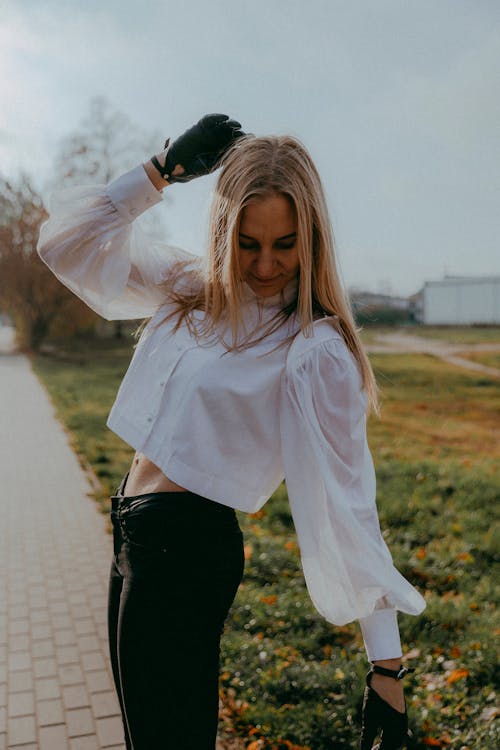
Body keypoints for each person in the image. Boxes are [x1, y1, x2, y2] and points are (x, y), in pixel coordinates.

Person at [37, 114, 427, 750]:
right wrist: (159, 172)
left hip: (187, 553)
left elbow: (349, 504)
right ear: (224, 232)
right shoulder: (192, 288)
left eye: (286, 243)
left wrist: (386, 666)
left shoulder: (314, 348)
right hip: (133, 533)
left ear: (314, 237)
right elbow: (65, 248)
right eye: (248, 243)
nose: (267, 264)